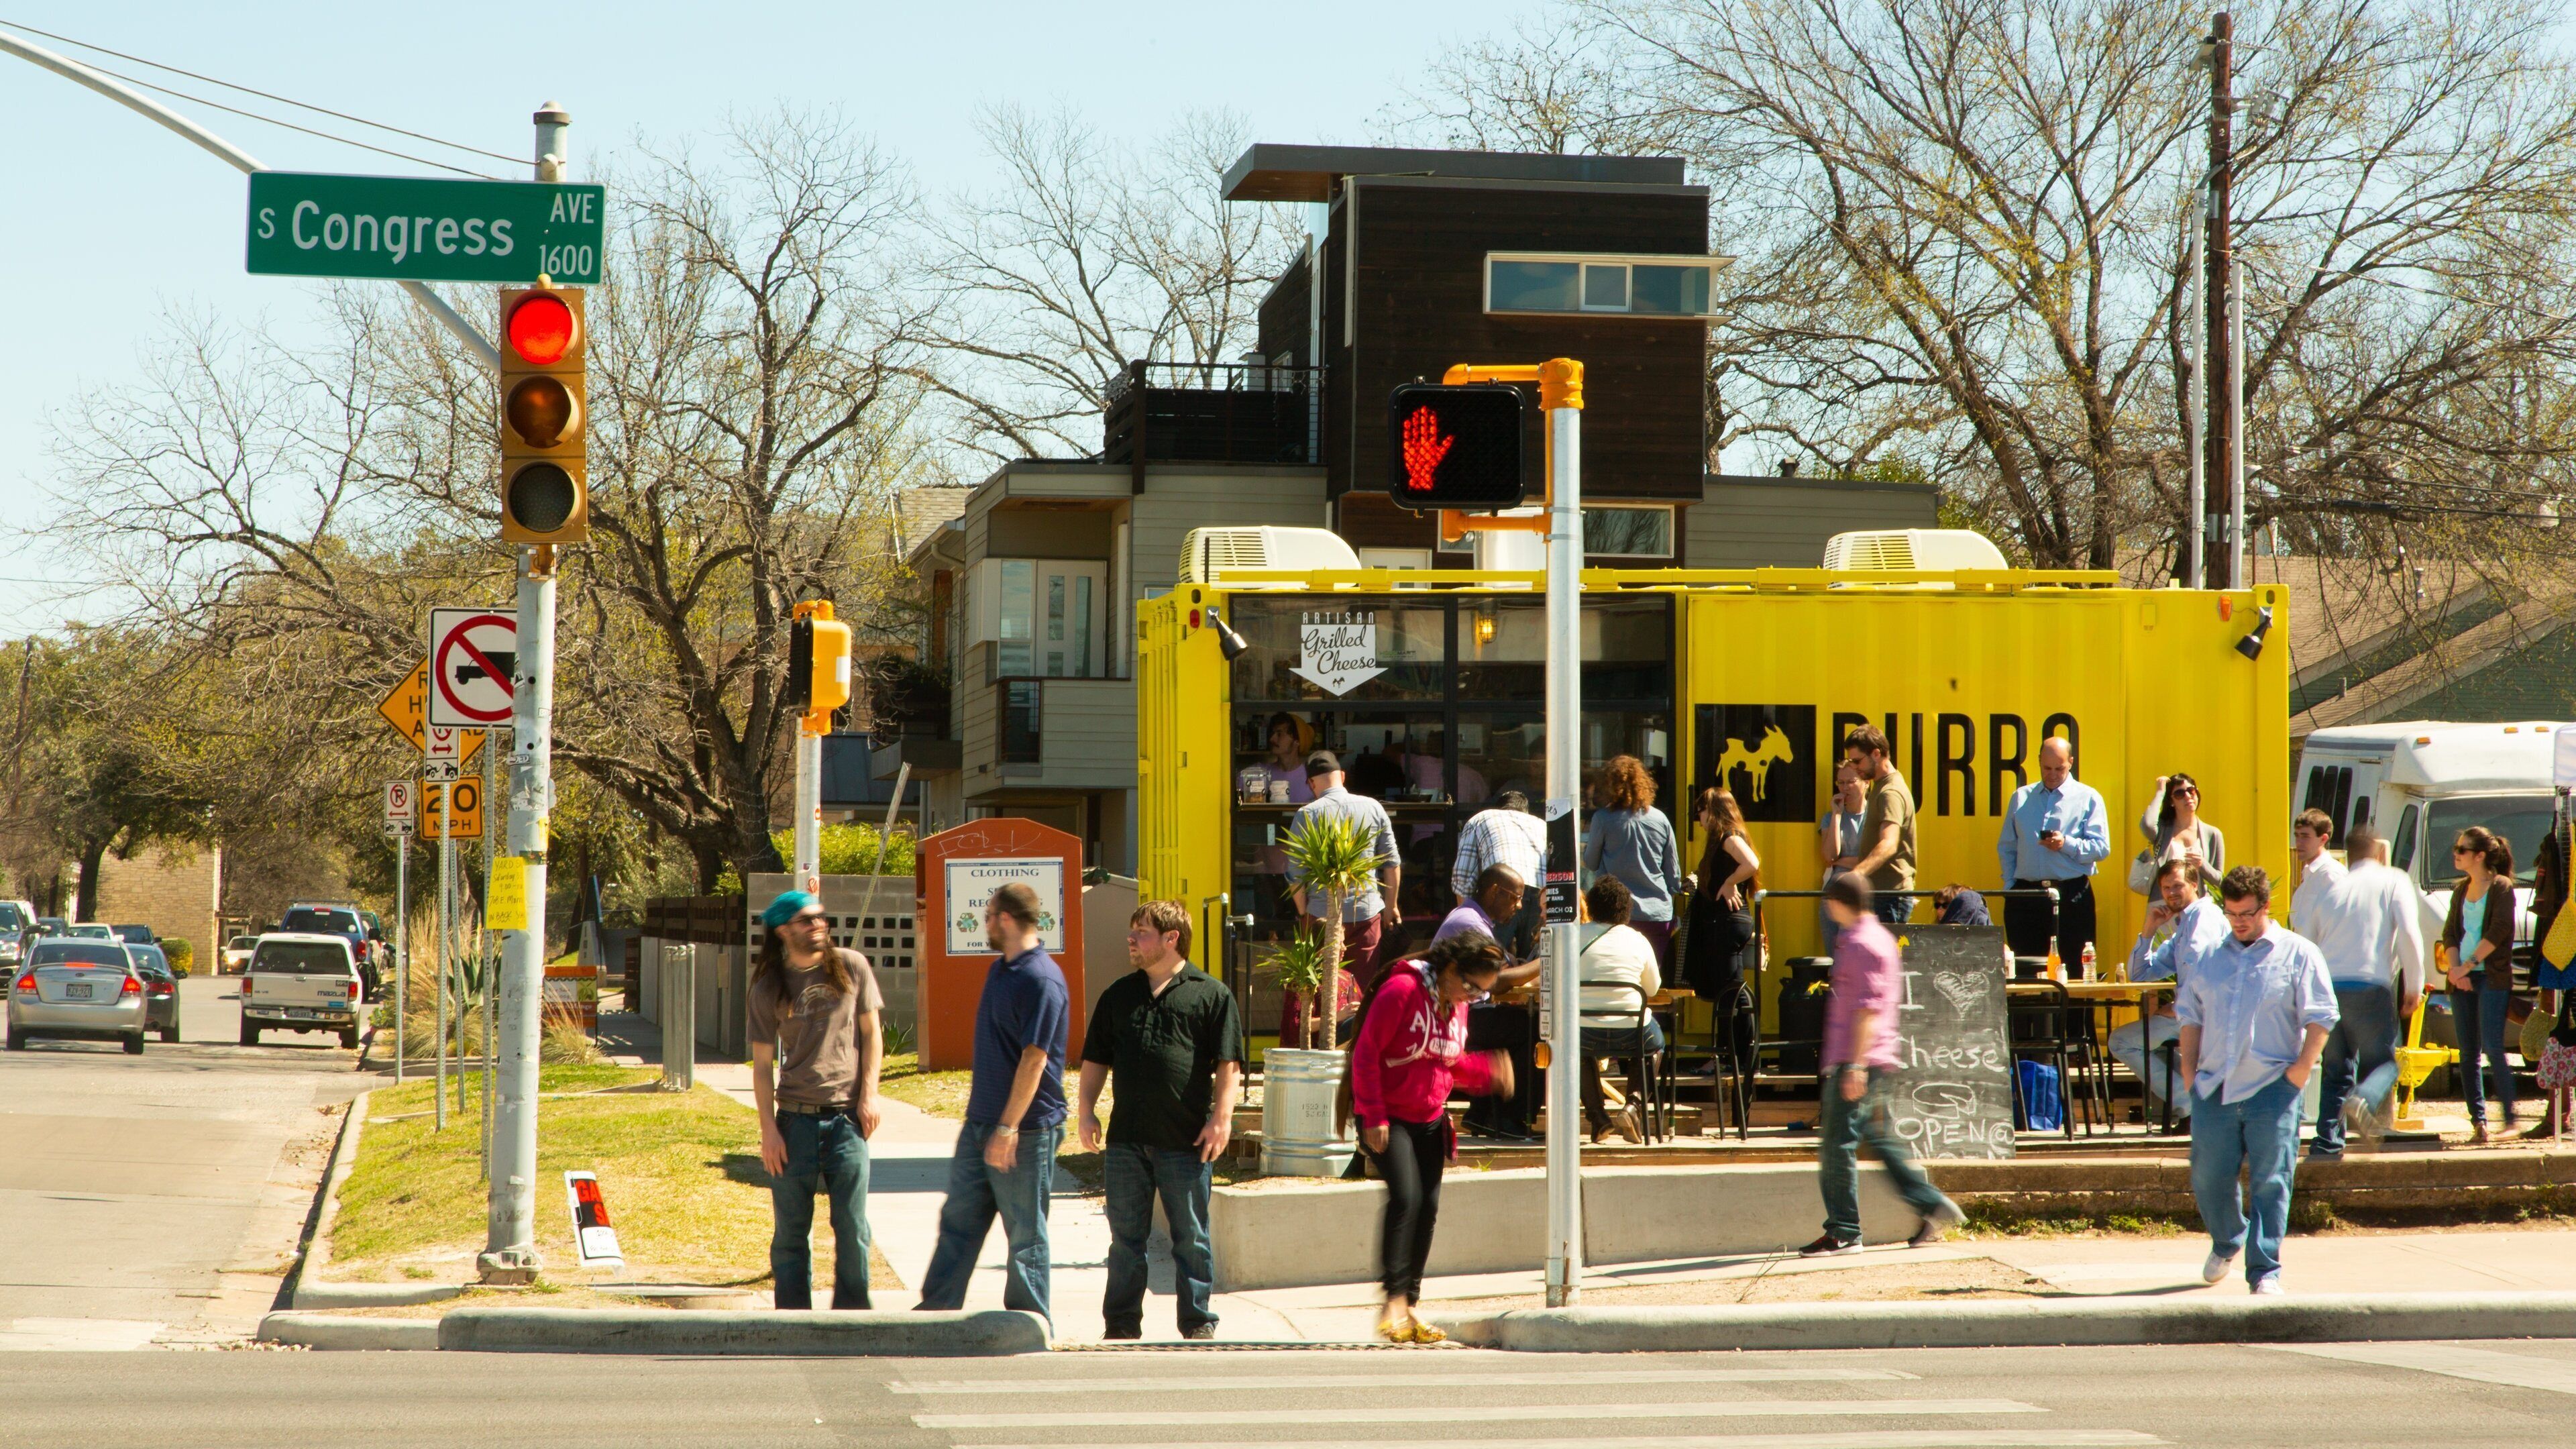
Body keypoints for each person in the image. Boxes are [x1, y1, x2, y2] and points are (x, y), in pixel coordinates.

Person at [1077, 900, 1244, 1341]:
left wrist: (1221, 1120)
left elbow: (1229, 1064)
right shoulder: (1118, 995)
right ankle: (1121, 1325)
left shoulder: (1210, 994)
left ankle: (1197, 1322)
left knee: (1191, 1238)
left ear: (1172, 939)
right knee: (1125, 1242)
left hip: (1185, 1141)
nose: (1131, 940)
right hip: (1127, 1140)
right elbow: (1095, 1058)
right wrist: (1085, 1110)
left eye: (1143, 933)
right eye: (1132, 932)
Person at [2176, 866, 2337, 1295]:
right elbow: (2190, 1016)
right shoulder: (2210, 957)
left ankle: (2265, 1270)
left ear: (2266, 907)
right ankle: (2229, 1237)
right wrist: (2189, 1072)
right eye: (2231, 914)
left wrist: (2301, 1069)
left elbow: (2321, 1015)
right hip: (2215, 1086)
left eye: (2246, 913)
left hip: (2273, 1086)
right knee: (2207, 1175)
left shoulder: (2299, 953)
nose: (2239, 922)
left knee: (2272, 1179)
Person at [1348, 932, 1513, 1344]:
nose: (1472, 997)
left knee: (1429, 1206)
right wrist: (1373, 1114)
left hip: (1429, 1117)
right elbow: (1366, 1052)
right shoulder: (1402, 990)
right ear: (1452, 969)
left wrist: (1487, 1072)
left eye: (1481, 994)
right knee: (1406, 1198)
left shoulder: (1457, 1005)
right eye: (1472, 986)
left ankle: (1412, 1303)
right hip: (1387, 1114)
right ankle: (1393, 1304)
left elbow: (1448, 1062)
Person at [916, 884, 1069, 1319]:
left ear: (1004, 919)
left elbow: (1034, 1061)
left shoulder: (1041, 979)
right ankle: (936, 1314)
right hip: (981, 1122)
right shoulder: (1000, 970)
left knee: (1025, 1234)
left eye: (988, 915)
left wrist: (1007, 1129)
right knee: (958, 1222)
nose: (985, 923)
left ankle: (1027, 1325)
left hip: (1025, 1130)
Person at [1802, 873, 1964, 1256]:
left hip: (1859, 1059)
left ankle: (1843, 1231)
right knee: (1879, 1138)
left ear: (1840, 903)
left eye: (1829, 901)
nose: (1826, 907)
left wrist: (1855, 1066)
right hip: (1874, 1057)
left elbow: (1867, 1011)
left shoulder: (1860, 944)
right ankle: (1930, 1203)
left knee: (1837, 1144)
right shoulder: (1878, 938)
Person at [747, 890, 885, 1310]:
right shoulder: (769, 986)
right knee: (791, 1234)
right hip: (794, 1122)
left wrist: (870, 1094)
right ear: (784, 929)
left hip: (847, 1121)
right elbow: (761, 1066)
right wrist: (768, 1131)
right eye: (808, 920)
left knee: (852, 1229)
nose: (819, 925)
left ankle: (853, 1318)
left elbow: (872, 1034)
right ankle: (793, 1321)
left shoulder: (851, 966)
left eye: (822, 918)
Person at [2294, 822, 2426, 1160]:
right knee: (2384, 1064)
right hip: (2371, 984)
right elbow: (2410, 933)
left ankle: (2326, 1143)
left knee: (2336, 1070)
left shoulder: (2331, 890)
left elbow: (2307, 942)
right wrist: (2414, 984)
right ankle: (2363, 1101)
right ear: (2379, 852)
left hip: (2329, 987)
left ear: (2348, 855)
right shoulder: (2393, 879)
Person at [1284, 750, 1400, 1042]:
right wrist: (1391, 907)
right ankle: (1358, 1053)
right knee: (1361, 991)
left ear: (1311, 783)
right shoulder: (1373, 807)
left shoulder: (1307, 814)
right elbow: (1392, 863)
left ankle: (1327, 1049)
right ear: (1343, 777)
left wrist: (1304, 912)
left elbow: (1295, 875)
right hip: (1367, 912)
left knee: (1320, 993)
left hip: (1321, 916)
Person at [2113, 859, 2230, 1124]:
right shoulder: (2184, 924)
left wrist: (2180, 1003)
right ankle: (2197, 1098)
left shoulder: (2204, 917)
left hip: (2202, 1016)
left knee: (2122, 1042)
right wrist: (2149, 930)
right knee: (2143, 1045)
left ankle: (2189, 1104)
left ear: (2194, 884)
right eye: (2165, 888)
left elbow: (2200, 963)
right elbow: (2140, 974)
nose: (2171, 893)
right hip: (2192, 1014)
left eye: (2177, 886)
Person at [1434, 865, 1542, 1140]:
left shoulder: (1476, 920)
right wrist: (1546, 962)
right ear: (1495, 891)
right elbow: (1496, 980)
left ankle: (1482, 1115)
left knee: (1518, 1022)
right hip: (1455, 1015)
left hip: (1464, 1011)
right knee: (1538, 1027)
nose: (1519, 906)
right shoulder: (1469, 922)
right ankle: (1509, 1118)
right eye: (1515, 897)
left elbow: (1504, 970)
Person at [1994, 737, 2111, 966]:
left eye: (2060, 768)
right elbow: (2007, 846)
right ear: (2039, 762)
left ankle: (2076, 1004)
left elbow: (2101, 848)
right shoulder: (2021, 797)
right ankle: (2030, 1003)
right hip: (2026, 895)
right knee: (2025, 970)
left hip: (2072, 894)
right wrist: (2011, 886)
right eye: (2047, 768)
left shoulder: (2088, 798)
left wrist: (2066, 844)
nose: (2053, 774)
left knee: (2075, 967)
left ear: (2071, 762)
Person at [2440, 826, 2519, 1143]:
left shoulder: (2501, 887)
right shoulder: (2461, 889)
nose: (2456, 854)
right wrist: (2455, 970)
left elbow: (2500, 930)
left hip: (2492, 976)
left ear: (2480, 855)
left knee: (2493, 1046)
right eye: (2456, 849)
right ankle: (2480, 1123)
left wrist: (2468, 966)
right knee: (2467, 1051)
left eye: (2462, 849)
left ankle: (2511, 1120)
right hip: (2463, 976)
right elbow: (2450, 933)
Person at [1578, 876, 1664, 1144]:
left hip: (1584, 1030)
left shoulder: (1573, 937)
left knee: (1574, 1050)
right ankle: (1634, 1106)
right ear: (1627, 909)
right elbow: (1652, 989)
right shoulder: (1638, 940)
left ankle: (1597, 1118)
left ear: (1590, 907)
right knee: (1655, 1044)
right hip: (1631, 1031)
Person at [1582, 755, 1686, 973]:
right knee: (1650, 979)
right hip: (1658, 917)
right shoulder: (1661, 819)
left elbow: (1590, 863)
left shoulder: (1602, 819)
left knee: (1619, 975)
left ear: (1610, 786)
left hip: (1616, 915)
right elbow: (1674, 877)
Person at [1681, 786, 1760, 996]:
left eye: (1701, 812)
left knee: (1730, 990)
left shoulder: (1729, 837)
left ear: (1712, 811)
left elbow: (1752, 863)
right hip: (1729, 920)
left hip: (1727, 920)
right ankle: (1735, 1029)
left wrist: (1729, 883)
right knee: (1730, 987)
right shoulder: (1729, 837)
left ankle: (1739, 1029)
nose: (1699, 819)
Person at [1452, 790, 1547, 959]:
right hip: (1541, 897)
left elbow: (1463, 874)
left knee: (1490, 961)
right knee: (1532, 966)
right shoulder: (1541, 824)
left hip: (1504, 893)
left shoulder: (1481, 818)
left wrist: (1468, 918)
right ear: (1526, 811)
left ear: (1500, 808)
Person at [1844, 725, 1919, 925]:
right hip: (1884, 895)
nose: (1854, 767)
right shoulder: (1883, 786)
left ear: (1876, 754)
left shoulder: (1890, 792)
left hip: (1889, 896)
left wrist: (1855, 875)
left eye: (1858, 761)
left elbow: (1889, 844)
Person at [2139, 771, 2227, 891]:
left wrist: (2202, 864)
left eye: (2191, 790)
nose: (2187, 796)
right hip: (2163, 906)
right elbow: (2147, 824)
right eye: (2179, 794)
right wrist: (2160, 793)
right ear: (2171, 802)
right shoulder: (2163, 830)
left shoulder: (2213, 834)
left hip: (2197, 906)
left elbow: (2220, 881)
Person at [1818, 761, 1866, 940]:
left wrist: (1839, 861)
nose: (1845, 788)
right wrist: (1837, 816)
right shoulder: (1829, 818)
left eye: (1851, 782)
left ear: (1866, 782)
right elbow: (1830, 856)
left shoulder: (1876, 816)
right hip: (1835, 894)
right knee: (1836, 959)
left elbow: (1871, 859)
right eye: (1840, 783)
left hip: (1866, 895)